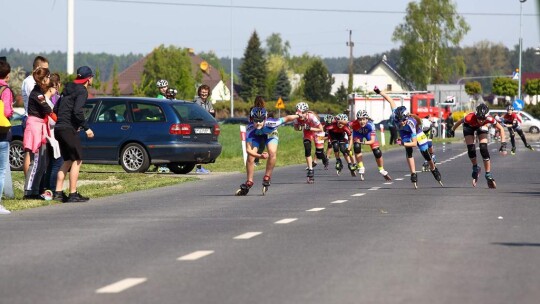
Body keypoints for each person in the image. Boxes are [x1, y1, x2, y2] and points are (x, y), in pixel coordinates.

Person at [375, 86, 442, 188]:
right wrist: (379, 92)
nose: (400, 122)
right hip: (404, 133)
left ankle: (433, 169)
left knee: (425, 153)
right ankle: (413, 173)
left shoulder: (411, 122)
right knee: (408, 151)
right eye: (399, 120)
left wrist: (403, 143)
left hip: (416, 132)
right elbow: (390, 100)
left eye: (402, 121)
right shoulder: (395, 115)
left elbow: (415, 143)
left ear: (406, 118)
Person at [52, 66, 95, 202]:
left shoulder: (68, 87)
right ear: (88, 79)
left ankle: (58, 193)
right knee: (77, 159)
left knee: (67, 160)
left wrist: (63, 121)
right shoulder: (82, 91)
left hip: (59, 128)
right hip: (68, 129)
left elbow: (56, 108)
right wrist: (86, 128)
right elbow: (77, 111)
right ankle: (73, 194)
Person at [235, 107, 300, 195]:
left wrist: (298, 115)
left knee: (272, 152)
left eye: (260, 120)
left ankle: (267, 177)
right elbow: (248, 150)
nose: (258, 123)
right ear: (251, 119)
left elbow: (287, 118)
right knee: (250, 157)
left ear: (265, 119)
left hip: (270, 134)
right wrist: (260, 156)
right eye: (255, 120)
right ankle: (249, 181)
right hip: (256, 136)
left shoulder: (272, 123)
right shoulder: (250, 128)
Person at [451, 103, 507, 189]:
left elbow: (501, 129)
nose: (481, 120)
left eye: (483, 118)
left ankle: (488, 174)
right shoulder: (469, 117)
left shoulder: (489, 118)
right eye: (479, 118)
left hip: (482, 127)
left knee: (483, 149)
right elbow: (459, 122)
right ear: (476, 115)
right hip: (469, 126)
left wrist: (503, 144)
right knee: (471, 149)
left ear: (486, 117)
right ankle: (475, 167)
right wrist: (452, 130)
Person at [22, 67, 54, 199]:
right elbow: (47, 108)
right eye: (48, 76)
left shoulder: (40, 92)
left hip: (40, 127)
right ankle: (29, 191)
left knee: (42, 162)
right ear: (43, 79)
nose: (50, 78)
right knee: (35, 162)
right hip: (35, 127)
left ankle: (36, 189)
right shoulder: (37, 94)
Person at [21, 56, 49, 176]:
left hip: (38, 119)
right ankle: (29, 182)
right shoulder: (30, 82)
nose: (47, 73)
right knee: (30, 152)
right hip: (31, 118)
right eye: (44, 69)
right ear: (37, 68)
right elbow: (38, 99)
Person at [349, 110, 391, 181]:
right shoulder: (353, 123)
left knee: (377, 152)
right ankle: (361, 166)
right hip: (358, 134)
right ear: (357, 119)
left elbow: (372, 141)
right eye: (359, 119)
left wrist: (362, 142)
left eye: (363, 119)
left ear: (367, 119)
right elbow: (343, 124)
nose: (362, 121)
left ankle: (381, 169)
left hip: (368, 134)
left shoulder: (371, 125)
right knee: (356, 146)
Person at [293, 102, 328, 183]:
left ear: (306, 112)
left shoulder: (312, 117)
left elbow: (321, 129)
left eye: (302, 113)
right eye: (298, 112)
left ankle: (324, 158)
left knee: (319, 153)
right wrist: (298, 127)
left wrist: (310, 128)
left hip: (318, 132)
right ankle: (310, 170)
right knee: (307, 148)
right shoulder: (296, 118)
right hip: (308, 132)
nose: (300, 115)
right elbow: (296, 128)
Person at [42, 73, 63, 195]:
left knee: (51, 163)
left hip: (50, 135)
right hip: (52, 136)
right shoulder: (48, 101)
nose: (56, 89)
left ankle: (48, 188)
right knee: (57, 163)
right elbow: (51, 119)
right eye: (54, 87)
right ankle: (52, 188)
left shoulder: (47, 100)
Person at [0, 60, 14, 214]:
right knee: (1, 170)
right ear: (7, 74)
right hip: (2, 132)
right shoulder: (5, 89)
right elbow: (7, 112)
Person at [193, 84, 214, 174]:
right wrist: (208, 113)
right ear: (199, 92)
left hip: (206, 127)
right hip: (198, 127)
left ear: (208, 93)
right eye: (202, 92)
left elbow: (212, 114)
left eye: (205, 92)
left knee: (204, 148)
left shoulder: (208, 103)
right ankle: (198, 168)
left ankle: (200, 167)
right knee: (199, 148)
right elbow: (199, 114)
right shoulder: (197, 102)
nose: (204, 93)